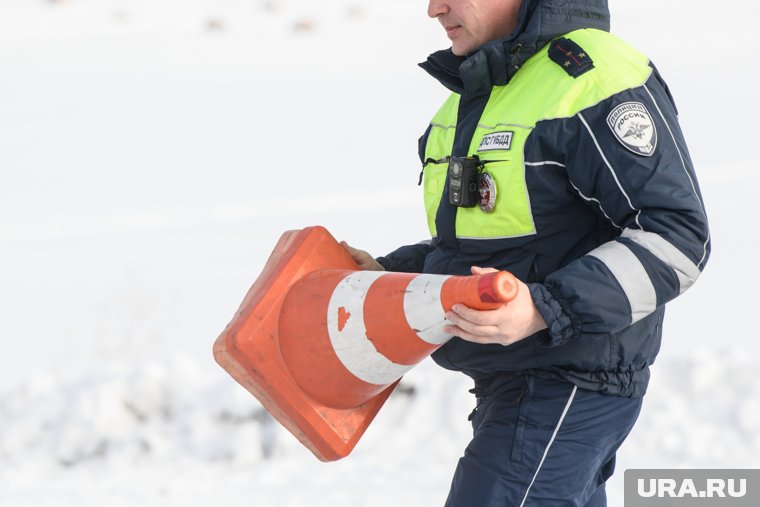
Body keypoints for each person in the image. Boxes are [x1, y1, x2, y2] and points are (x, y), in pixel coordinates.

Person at [343, 0, 710, 505]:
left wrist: (546, 305)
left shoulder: (592, 77)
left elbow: (676, 236)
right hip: (509, 386)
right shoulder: (481, 91)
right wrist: (387, 272)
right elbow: (481, 246)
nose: (434, 8)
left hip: (571, 383)